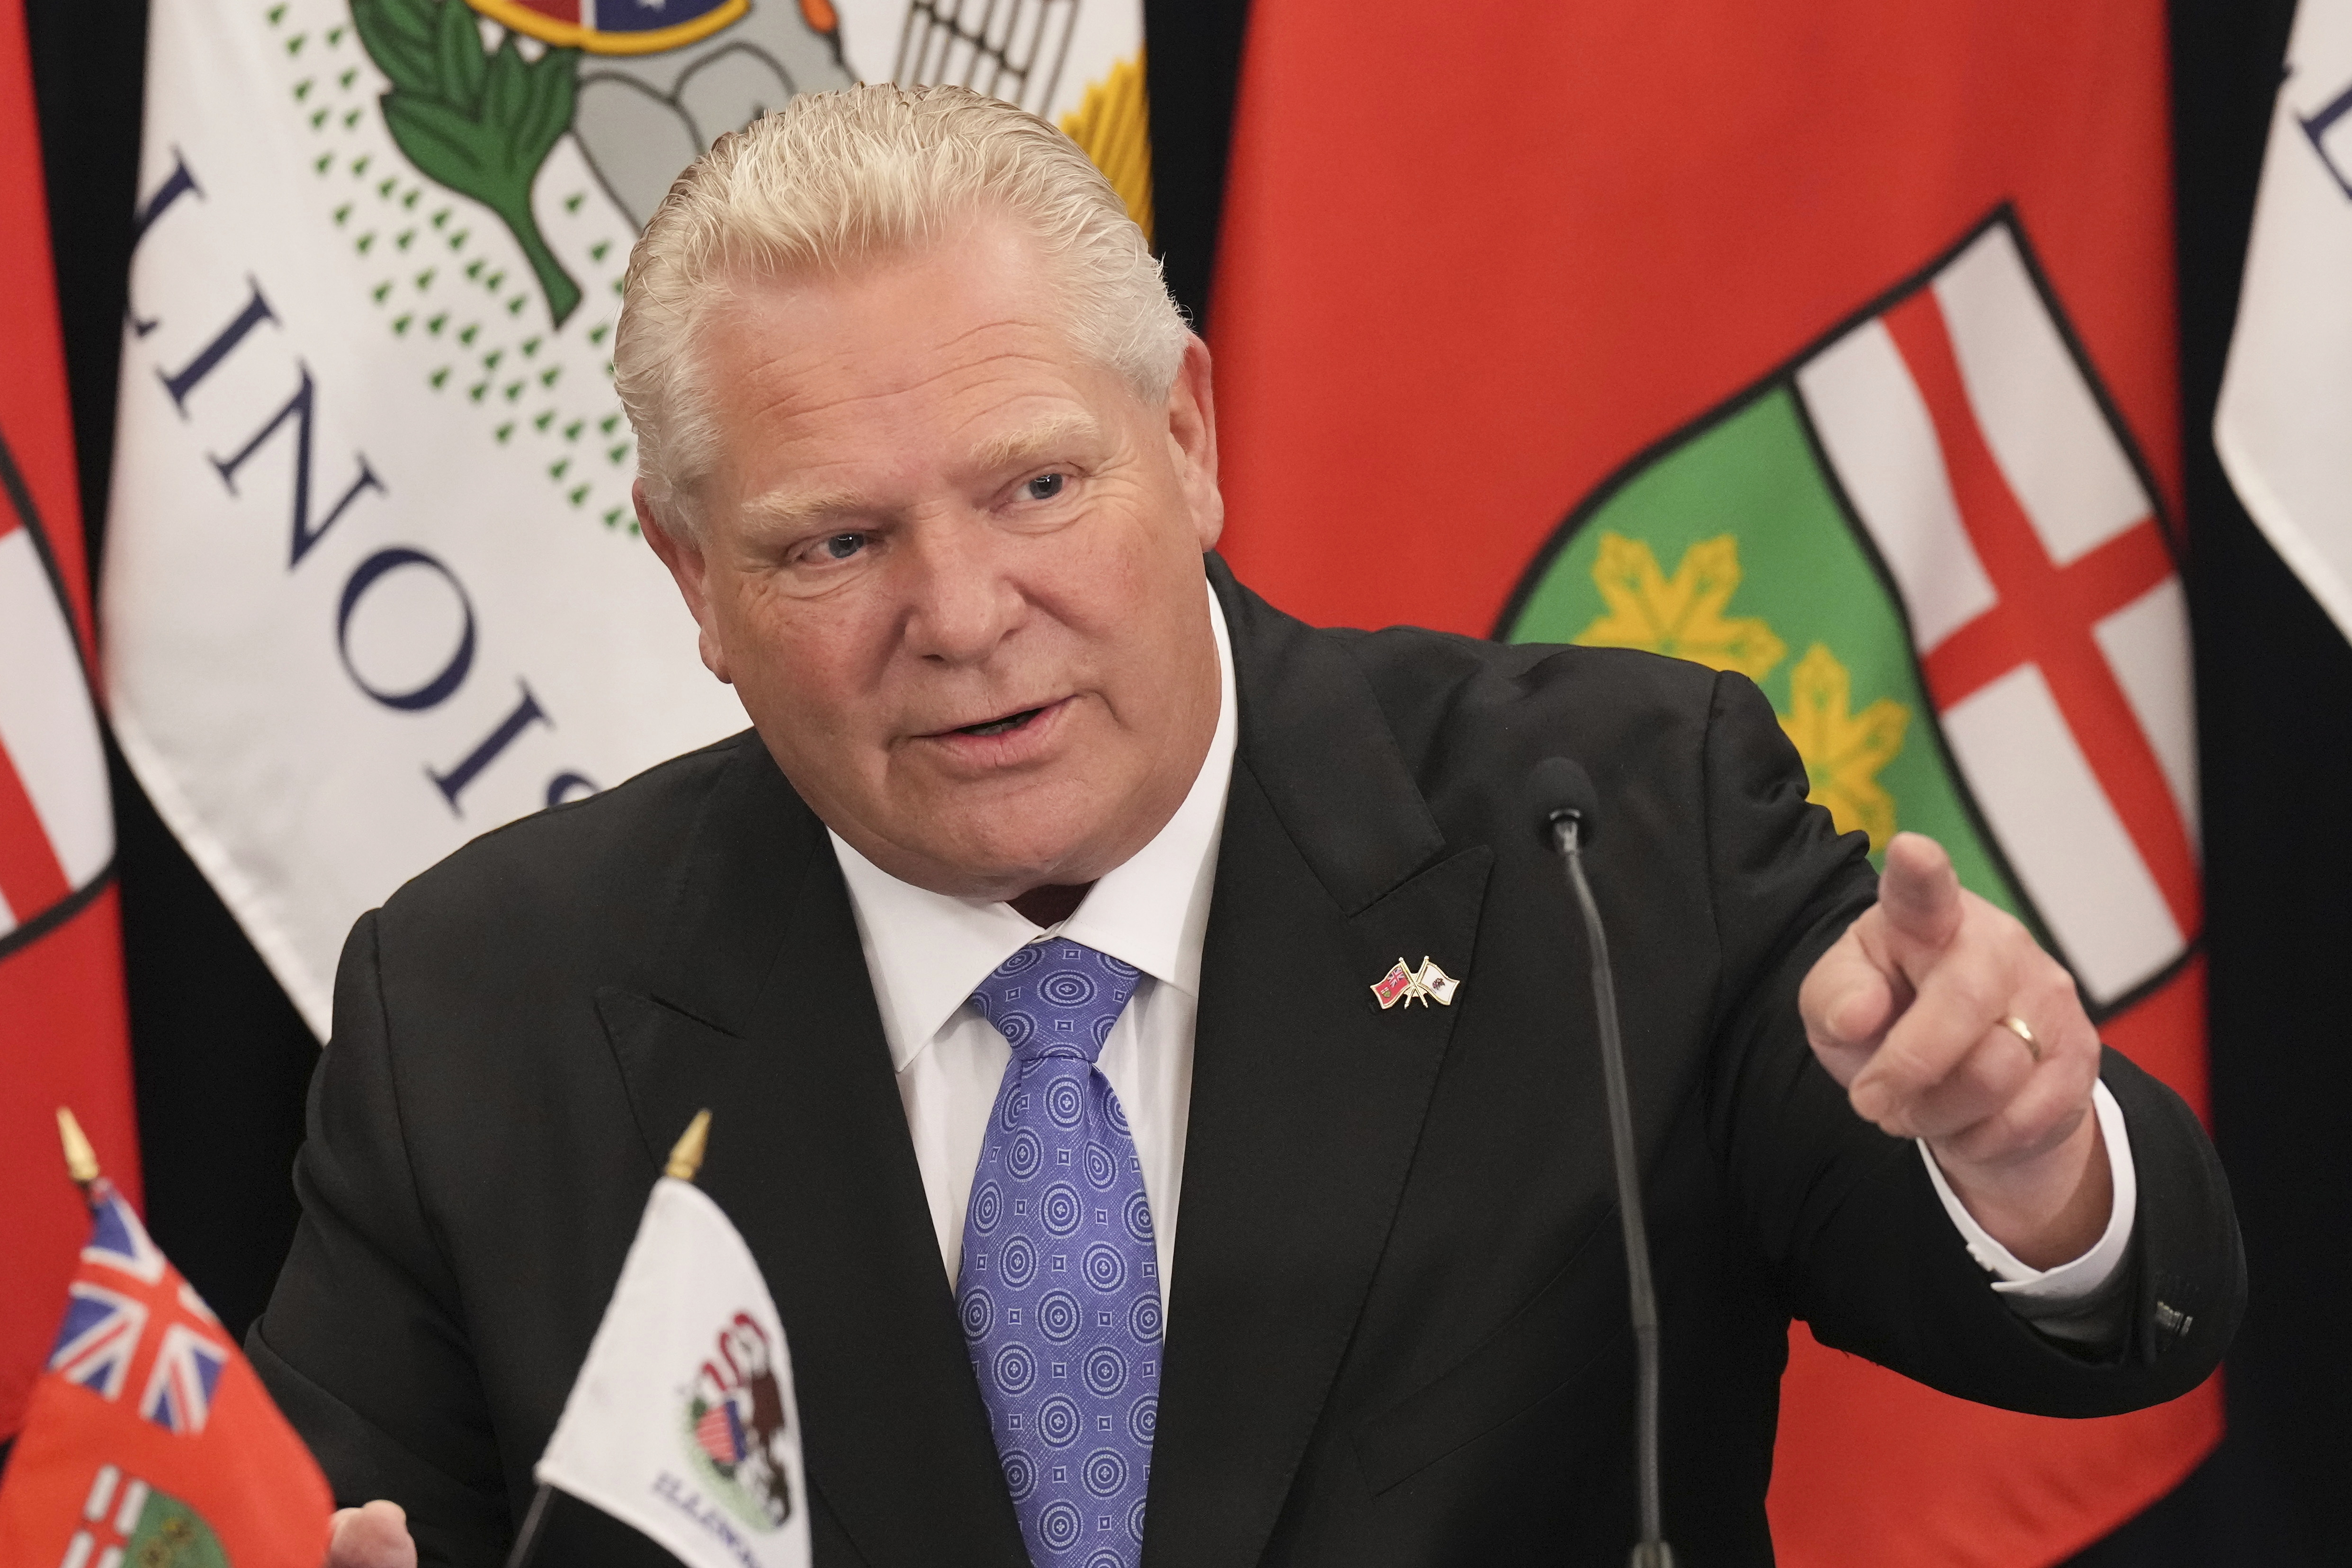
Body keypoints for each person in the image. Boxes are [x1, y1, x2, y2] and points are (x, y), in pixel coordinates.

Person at [265, 84, 2242, 1568]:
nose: (959, 618)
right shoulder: (483, 1007)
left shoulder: (1612, 831)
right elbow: (323, 1511)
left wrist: (2030, 1161)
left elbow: (2095, 1331)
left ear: (1190, 440)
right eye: (834, 543)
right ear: (692, 579)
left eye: (1038, 486)